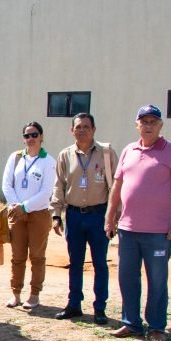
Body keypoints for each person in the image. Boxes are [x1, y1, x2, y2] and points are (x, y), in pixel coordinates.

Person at [105, 105, 171, 341]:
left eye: (153, 121)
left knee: (157, 279)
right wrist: (110, 217)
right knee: (127, 277)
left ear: (161, 125)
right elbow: (117, 186)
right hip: (129, 230)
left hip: (159, 232)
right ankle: (131, 323)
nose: (148, 125)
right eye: (144, 121)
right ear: (137, 125)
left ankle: (156, 326)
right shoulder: (128, 150)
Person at [50, 113, 118, 325]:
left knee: (100, 263)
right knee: (75, 262)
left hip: (99, 215)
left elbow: (117, 185)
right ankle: (74, 304)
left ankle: (100, 308)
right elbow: (59, 185)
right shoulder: (65, 155)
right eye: (78, 127)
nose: (82, 130)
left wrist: (113, 217)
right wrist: (56, 215)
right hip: (74, 215)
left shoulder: (106, 153)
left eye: (86, 127)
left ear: (94, 129)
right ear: (72, 131)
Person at [1, 122, 56, 309]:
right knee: (17, 256)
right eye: (27, 136)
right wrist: (16, 206)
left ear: (41, 136)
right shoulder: (16, 158)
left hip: (38, 214)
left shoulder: (48, 161)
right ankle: (15, 293)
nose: (30, 139)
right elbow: (6, 184)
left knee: (37, 256)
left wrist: (25, 206)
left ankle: (34, 294)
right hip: (17, 214)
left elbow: (47, 191)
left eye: (34, 135)